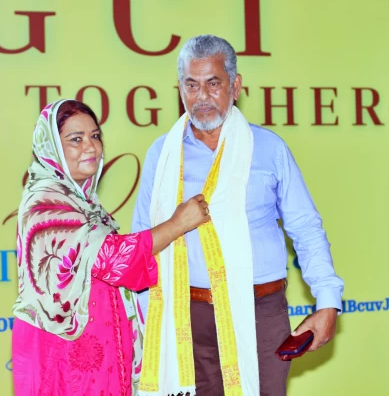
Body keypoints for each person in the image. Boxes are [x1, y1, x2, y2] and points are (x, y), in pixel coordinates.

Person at [131, 35, 344, 396]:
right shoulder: (162, 154)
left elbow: (306, 228)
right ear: (179, 88)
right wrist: (145, 318)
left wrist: (327, 302)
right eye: (191, 85)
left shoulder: (269, 149)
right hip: (185, 317)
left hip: (260, 312)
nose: (201, 96)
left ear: (236, 85)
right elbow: (142, 238)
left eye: (213, 83)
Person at [11, 99, 210, 396]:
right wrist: (178, 223)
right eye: (76, 139)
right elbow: (112, 257)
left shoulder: (81, 201)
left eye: (95, 136)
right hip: (64, 350)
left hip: (96, 345)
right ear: (52, 147)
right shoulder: (46, 203)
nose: (90, 147)